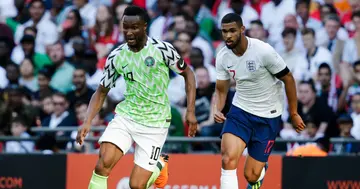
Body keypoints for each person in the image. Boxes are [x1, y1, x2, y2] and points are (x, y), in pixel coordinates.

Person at [76, 5, 198, 189]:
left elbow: (188, 74)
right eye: (126, 27)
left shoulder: (162, 49)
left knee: (136, 185)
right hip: (127, 116)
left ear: (144, 27)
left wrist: (190, 111)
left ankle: (159, 165)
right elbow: (101, 91)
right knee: (103, 164)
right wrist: (87, 121)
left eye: (134, 27)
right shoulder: (116, 56)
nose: (129, 32)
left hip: (155, 123)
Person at [214, 13, 306, 189]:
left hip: (268, 115)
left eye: (232, 31)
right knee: (228, 158)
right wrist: (218, 108)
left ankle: (261, 169)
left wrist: (293, 113)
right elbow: (221, 88)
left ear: (242, 30)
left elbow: (288, 78)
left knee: (251, 175)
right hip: (240, 110)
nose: (228, 36)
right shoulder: (223, 56)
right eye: (224, 31)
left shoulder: (262, 51)